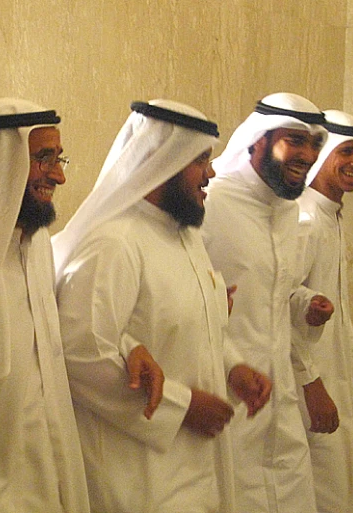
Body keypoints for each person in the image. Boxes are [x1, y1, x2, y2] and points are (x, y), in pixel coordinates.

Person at [0, 97, 163, 513]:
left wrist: (129, 345)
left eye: (59, 158)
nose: (59, 176)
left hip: (46, 480)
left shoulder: (38, 244)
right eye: (42, 159)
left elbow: (70, 324)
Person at [53, 100, 272, 513]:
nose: (210, 173)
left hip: (193, 472)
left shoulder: (185, 238)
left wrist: (233, 368)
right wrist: (183, 406)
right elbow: (81, 355)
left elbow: (192, 325)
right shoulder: (114, 243)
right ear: (161, 160)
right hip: (137, 478)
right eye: (200, 161)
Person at [202, 92, 334, 513]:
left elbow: (277, 289)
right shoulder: (211, 204)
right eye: (294, 141)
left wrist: (305, 303)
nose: (307, 154)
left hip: (281, 410)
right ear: (257, 140)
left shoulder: (288, 212)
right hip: (227, 403)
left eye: (314, 144)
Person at [294, 109, 353, 513]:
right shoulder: (305, 220)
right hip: (308, 391)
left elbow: (339, 314)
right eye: (346, 152)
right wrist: (313, 385)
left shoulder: (330, 217)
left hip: (336, 384)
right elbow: (282, 314)